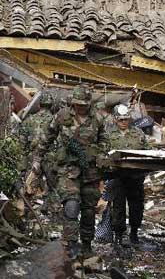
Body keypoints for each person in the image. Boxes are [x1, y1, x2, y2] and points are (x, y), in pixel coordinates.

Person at [31, 84, 106, 259]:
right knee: (71, 206)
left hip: (90, 171)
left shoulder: (97, 118)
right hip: (67, 169)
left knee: (88, 210)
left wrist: (97, 152)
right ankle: (71, 245)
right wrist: (37, 159)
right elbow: (47, 137)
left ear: (89, 103)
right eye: (77, 103)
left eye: (83, 104)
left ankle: (87, 245)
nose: (80, 107)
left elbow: (104, 141)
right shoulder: (62, 116)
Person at [105, 104, 149, 246]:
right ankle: (118, 235)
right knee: (118, 207)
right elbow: (102, 153)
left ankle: (134, 233)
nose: (124, 122)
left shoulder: (138, 133)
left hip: (135, 177)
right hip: (116, 177)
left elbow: (147, 152)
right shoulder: (108, 135)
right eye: (120, 120)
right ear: (115, 120)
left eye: (126, 119)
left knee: (136, 206)